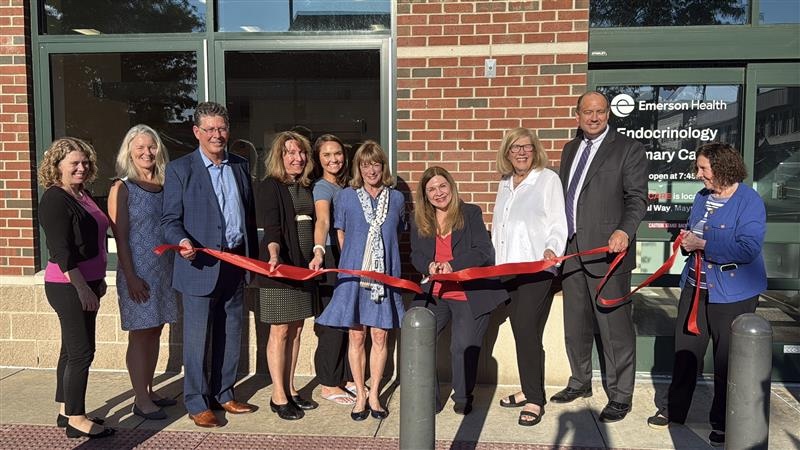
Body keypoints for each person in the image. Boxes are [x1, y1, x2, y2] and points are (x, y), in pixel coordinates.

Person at [647, 143, 766, 447]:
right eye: (698, 168)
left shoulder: (749, 201)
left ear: (723, 167)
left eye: (704, 168)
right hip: (695, 287)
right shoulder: (702, 197)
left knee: (726, 361)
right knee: (685, 352)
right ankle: (674, 410)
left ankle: (723, 422)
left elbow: (748, 249)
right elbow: (695, 230)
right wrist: (688, 239)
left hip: (733, 293)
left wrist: (702, 244)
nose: (698, 174)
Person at [553, 91, 648, 423]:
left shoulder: (628, 149)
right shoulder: (570, 149)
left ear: (608, 114)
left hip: (608, 252)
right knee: (575, 324)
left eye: (600, 112)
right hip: (572, 251)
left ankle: (621, 394)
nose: (594, 118)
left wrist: (625, 230)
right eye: (587, 112)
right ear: (577, 115)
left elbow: (637, 199)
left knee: (614, 328)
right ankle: (580, 381)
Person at [162, 101, 258, 428]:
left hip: (235, 262)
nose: (217, 135)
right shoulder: (180, 169)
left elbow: (248, 216)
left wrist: (252, 262)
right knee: (197, 339)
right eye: (210, 129)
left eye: (222, 128)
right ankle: (196, 401)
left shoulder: (240, 166)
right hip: (198, 266)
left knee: (231, 333)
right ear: (197, 132)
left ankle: (224, 393)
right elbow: (170, 220)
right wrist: (182, 241)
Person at [316, 141, 406, 421]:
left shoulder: (397, 198)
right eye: (365, 164)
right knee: (356, 335)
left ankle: (375, 393)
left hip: (384, 276)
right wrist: (356, 263)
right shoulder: (346, 197)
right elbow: (340, 233)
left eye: (375, 163)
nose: (371, 170)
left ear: (383, 166)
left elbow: (397, 234)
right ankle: (360, 396)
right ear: (358, 167)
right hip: (355, 276)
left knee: (380, 336)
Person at [410, 166, 507, 416]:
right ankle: (428, 398)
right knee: (417, 335)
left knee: (462, 346)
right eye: (431, 189)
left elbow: (483, 251)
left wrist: (452, 265)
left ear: (451, 187)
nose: (438, 193)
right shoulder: (418, 219)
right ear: (425, 195)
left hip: (468, 291)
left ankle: (463, 396)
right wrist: (429, 265)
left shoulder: (470, 213)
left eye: (442, 186)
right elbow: (416, 254)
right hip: (435, 291)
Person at [38, 137, 115, 439]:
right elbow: (61, 250)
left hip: (88, 283)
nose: (81, 168)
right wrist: (83, 288)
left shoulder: (82, 194)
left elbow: (93, 240)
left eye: (85, 162)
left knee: (70, 351)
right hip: (68, 285)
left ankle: (65, 410)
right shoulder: (55, 199)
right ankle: (77, 418)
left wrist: (98, 280)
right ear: (57, 166)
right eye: (74, 163)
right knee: (83, 352)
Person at [491, 128, 568, 426]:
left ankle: (535, 399)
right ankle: (528, 388)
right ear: (507, 153)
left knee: (524, 328)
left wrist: (552, 249)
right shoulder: (505, 182)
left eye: (527, 147)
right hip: (508, 270)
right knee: (525, 331)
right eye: (515, 147)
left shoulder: (547, 179)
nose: (521, 152)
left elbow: (558, 222)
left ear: (535, 150)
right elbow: (500, 226)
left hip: (537, 269)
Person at [108, 125, 178, 421]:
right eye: (140, 147)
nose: (147, 152)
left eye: (151, 146)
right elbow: (120, 238)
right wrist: (131, 277)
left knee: (155, 330)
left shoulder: (165, 185)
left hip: (164, 271)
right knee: (140, 334)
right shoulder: (122, 188)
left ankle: (149, 390)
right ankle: (140, 399)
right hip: (137, 272)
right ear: (129, 152)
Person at [252, 131, 319, 420]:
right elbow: (272, 227)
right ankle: (278, 395)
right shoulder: (271, 186)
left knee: (296, 330)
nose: (298, 158)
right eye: (290, 152)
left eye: (301, 152)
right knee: (279, 331)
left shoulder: (306, 186)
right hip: (279, 268)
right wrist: (274, 254)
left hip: (302, 268)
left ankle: (291, 389)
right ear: (279, 156)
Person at [308, 134, 356, 405]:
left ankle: (346, 378)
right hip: (330, 257)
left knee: (348, 320)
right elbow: (323, 221)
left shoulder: (347, 185)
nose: (333, 159)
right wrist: (319, 250)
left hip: (349, 256)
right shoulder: (322, 187)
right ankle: (328, 384)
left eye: (337, 153)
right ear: (318, 159)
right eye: (326, 155)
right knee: (332, 322)